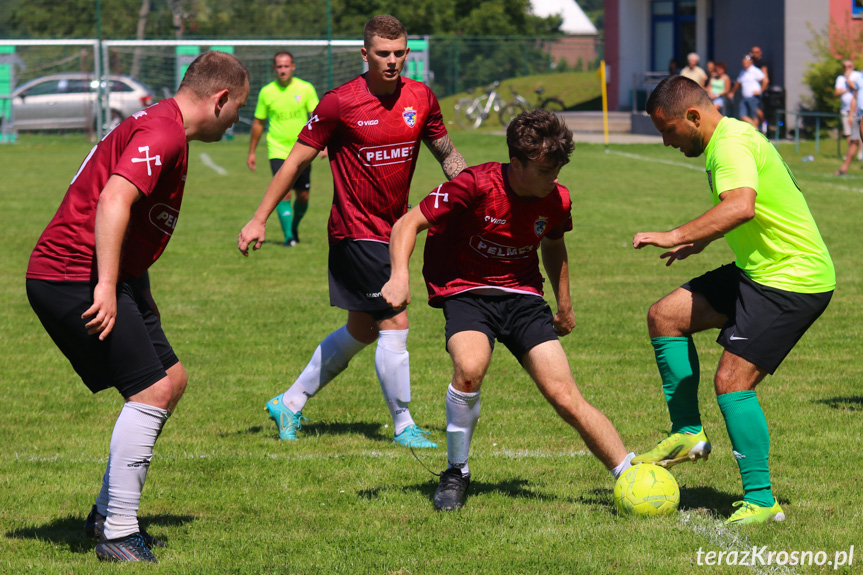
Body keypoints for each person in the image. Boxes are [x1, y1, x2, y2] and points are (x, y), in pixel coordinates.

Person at [25, 51, 249, 562]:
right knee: (149, 389)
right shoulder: (164, 134)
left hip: (107, 275)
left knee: (172, 380)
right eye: (238, 105)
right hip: (71, 275)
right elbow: (113, 201)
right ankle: (119, 534)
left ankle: (106, 512)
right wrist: (105, 285)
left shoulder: (167, 128)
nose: (238, 117)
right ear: (219, 99)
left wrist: (138, 295)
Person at [381, 109, 635, 511]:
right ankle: (456, 471)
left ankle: (630, 473)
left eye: (558, 169)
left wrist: (564, 304)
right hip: (467, 291)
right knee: (469, 369)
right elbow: (406, 225)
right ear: (517, 163)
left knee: (564, 394)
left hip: (523, 297)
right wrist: (399, 276)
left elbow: (553, 245)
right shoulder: (473, 185)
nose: (554, 178)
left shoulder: (556, 199)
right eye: (546, 169)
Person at [238, 15, 467, 448]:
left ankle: (290, 402)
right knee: (395, 316)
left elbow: (447, 154)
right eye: (383, 53)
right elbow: (295, 161)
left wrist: (473, 196)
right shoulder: (340, 103)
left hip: (396, 229)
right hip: (354, 230)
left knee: (362, 330)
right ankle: (404, 425)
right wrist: (259, 217)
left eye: (400, 53)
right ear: (365, 54)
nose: (393, 61)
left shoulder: (421, 97)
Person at [632, 76, 835, 525]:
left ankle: (762, 501)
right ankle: (686, 433)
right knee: (665, 316)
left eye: (667, 130)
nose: (666, 142)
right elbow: (752, 211)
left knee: (732, 383)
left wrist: (678, 234)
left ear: (693, 116)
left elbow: (741, 205)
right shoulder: (731, 137)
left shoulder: (729, 146)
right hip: (759, 270)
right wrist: (700, 244)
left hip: (792, 280)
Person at [247, 51, 322, 245]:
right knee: (284, 192)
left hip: (304, 149)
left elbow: (317, 117)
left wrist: (323, 144)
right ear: (274, 68)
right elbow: (258, 123)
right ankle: (289, 236)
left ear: (293, 67)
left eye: (286, 66)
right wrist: (252, 151)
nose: (283, 70)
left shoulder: (305, 89)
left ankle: (294, 226)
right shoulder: (267, 92)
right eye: (279, 66)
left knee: (303, 196)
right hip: (277, 149)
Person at [834, 59, 862, 176]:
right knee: (854, 141)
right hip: (858, 113)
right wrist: (851, 114)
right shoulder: (860, 77)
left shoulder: (856, 76)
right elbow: (855, 97)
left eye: (849, 66)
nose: (847, 68)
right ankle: (844, 169)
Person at [729, 55, 765, 128]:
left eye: (746, 62)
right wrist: (732, 92)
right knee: (742, 116)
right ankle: (756, 129)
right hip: (744, 97)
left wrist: (761, 91)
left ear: (751, 62)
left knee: (754, 116)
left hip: (753, 97)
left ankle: (756, 131)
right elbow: (738, 83)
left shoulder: (755, 70)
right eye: (744, 62)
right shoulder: (743, 72)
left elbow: (765, 80)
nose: (744, 64)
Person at [749, 46, 770, 131]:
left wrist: (761, 90)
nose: (755, 54)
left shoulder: (761, 63)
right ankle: (756, 128)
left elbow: (765, 78)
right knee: (753, 111)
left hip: (760, 90)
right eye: (753, 52)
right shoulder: (752, 62)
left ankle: (765, 123)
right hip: (753, 90)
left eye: (757, 52)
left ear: (760, 53)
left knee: (757, 110)